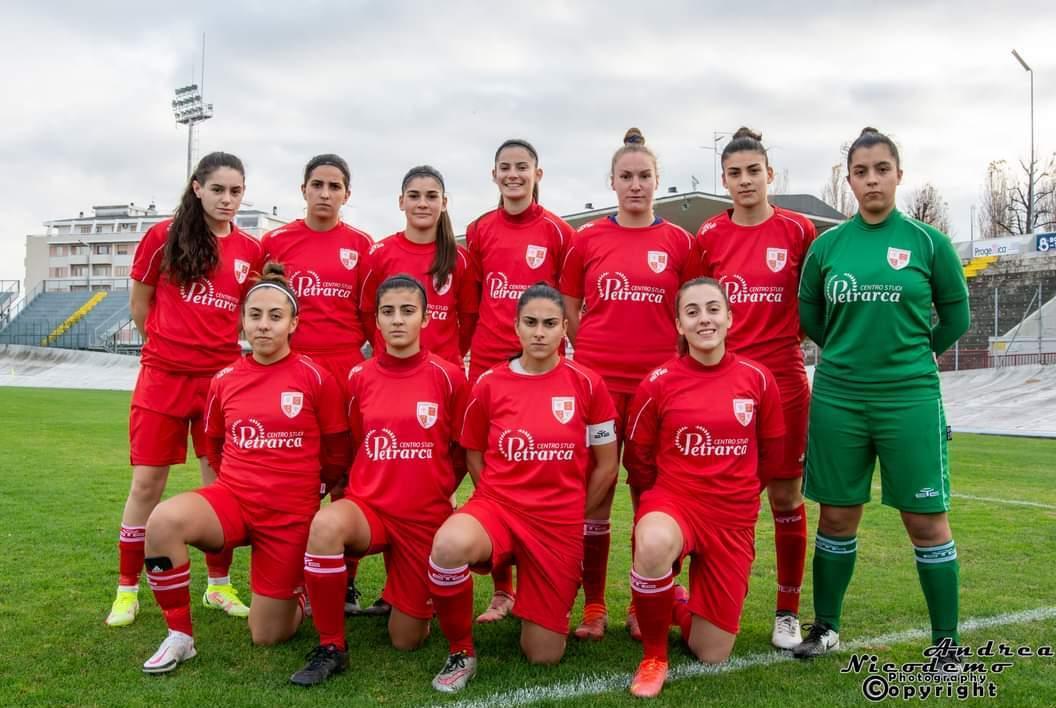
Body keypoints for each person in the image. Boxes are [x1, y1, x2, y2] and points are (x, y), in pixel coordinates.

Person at [795, 128, 970, 667]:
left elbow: (956, 317)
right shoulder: (827, 248)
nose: (871, 179)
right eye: (861, 171)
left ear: (898, 173)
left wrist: (913, 355)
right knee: (837, 516)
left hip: (909, 399)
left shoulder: (928, 242)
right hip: (839, 399)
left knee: (925, 520)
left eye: (881, 169)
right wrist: (854, 358)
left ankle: (946, 642)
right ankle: (826, 628)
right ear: (849, 180)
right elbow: (812, 321)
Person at [139, 263, 348, 673]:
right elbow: (214, 444)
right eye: (255, 316)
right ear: (243, 321)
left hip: (289, 515)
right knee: (163, 522)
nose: (264, 326)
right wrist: (234, 485)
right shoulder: (224, 380)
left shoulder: (314, 378)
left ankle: (298, 594)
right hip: (233, 500)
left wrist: (312, 489)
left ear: (293, 323)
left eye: (275, 316)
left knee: (267, 635)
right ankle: (180, 636)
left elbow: (337, 449)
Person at [426, 284, 619, 693]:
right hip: (499, 508)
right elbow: (474, 452)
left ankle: (545, 596)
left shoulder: (588, 384)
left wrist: (575, 514)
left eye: (550, 324)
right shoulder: (490, 384)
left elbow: (607, 465)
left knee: (543, 655)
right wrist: (492, 499)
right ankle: (461, 651)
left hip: (558, 523)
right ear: (516, 328)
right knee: (447, 545)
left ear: (564, 328)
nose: (539, 332)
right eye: (530, 323)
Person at [107, 152, 263, 627]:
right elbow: (141, 304)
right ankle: (127, 590)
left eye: (236, 191)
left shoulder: (251, 250)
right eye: (218, 189)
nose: (227, 200)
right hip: (163, 379)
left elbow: (247, 309)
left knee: (219, 486)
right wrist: (169, 351)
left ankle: (217, 586)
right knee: (146, 485)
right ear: (197, 187)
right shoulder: (162, 236)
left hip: (220, 383)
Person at [289, 275, 468, 686]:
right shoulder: (358, 377)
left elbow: (459, 450)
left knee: (406, 640)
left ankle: (408, 598)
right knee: (326, 524)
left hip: (422, 517)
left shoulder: (450, 377)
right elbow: (353, 442)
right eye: (388, 312)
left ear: (425, 318)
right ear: (377, 320)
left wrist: (436, 489)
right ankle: (332, 644)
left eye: (408, 311)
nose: (397, 321)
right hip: (369, 508)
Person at [559, 128, 696, 640]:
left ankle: (644, 602)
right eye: (626, 177)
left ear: (657, 181)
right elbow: (570, 306)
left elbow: (691, 307)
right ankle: (594, 606)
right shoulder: (587, 240)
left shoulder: (679, 243)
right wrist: (590, 357)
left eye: (644, 177)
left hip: (657, 389)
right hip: (597, 387)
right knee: (597, 489)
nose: (635, 185)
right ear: (612, 182)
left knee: (652, 495)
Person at [623, 277, 785, 698]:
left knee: (712, 651)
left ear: (730, 318)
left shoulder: (758, 379)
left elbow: (770, 454)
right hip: (676, 503)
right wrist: (650, 512)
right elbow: (639, 461)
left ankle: (667, 601)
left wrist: (743, 493)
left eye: (713, 309)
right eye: (692, 312)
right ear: (678, 325)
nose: (704, 319)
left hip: (731, 517)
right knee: (655, 541)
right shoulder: (657, 382)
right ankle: (654, 656)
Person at [691, 127, 816, 649]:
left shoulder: (799, 230)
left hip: (783, 380)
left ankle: (787, 610)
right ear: (724, 180)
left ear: (771, 174)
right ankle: (704, 599)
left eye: (754, 171)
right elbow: (695, 306)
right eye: (735, 174)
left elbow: (811, 306)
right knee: (713, 495)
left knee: (785, 495)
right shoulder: (710, 237)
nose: (745, 181)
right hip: (723, 383)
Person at [464, 138, 574, 623]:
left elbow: (568, 302)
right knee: (493, 463)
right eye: (505, 167)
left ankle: (543, 576)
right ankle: (502, 589)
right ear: (494, 175)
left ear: (538, 174)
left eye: (522, 167)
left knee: (544, 461)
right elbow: (472, 300)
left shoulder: (558, 232)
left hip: (546, 365)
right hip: (489, 362)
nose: (514, 175)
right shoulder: (478, 229)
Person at [261, 153, 375, 615]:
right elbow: (261, 302)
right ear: (303, 189)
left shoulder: (362, 245)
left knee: (346, 480)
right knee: (300, 479)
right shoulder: (276, 242)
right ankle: (297, 580)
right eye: (318, 185)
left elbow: (369, 315)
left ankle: (343, 582)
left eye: (335, 186)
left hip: (346, 372)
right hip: (295, 375)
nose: (326, 194)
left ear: (348, 194)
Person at [360, 165, 476, 368]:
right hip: (390, 369)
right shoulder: (379, 253)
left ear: (444, 203)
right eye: (414, 196)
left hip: (443, 369)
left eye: (431, 196)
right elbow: (367, 314)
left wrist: (448, 356)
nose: (422, 204)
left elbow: (469, 320)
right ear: (401, 202)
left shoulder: (460, 258)